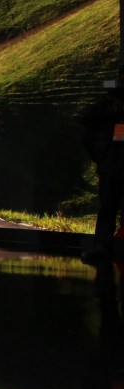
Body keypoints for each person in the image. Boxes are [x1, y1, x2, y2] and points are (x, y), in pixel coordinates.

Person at [80, 62, 124, 263]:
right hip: (110, 167)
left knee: (108, 209)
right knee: (107, 208)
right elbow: (88, 125)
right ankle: (102, 247)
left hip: (111, 165)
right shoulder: (107, 106)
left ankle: (105, 247)